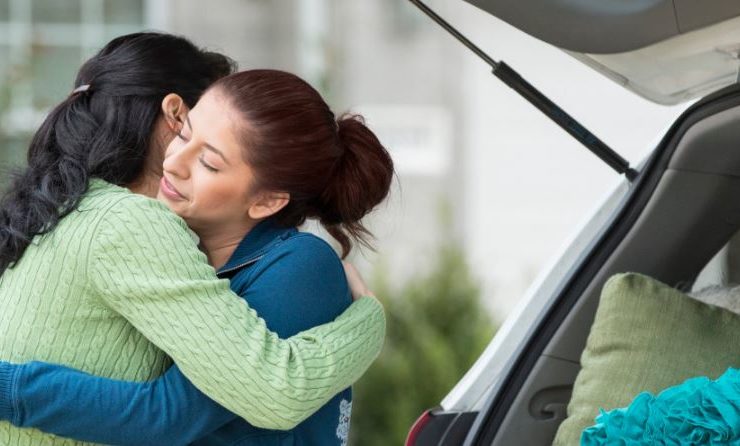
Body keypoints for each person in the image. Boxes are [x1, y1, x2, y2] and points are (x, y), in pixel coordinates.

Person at [0, 33, 386, 445]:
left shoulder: (299, 266)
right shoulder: (177, 250)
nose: (174, 163)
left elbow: (170, 415)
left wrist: (370, 322)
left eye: (209, 163)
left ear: (266, 201)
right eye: (183, 135)